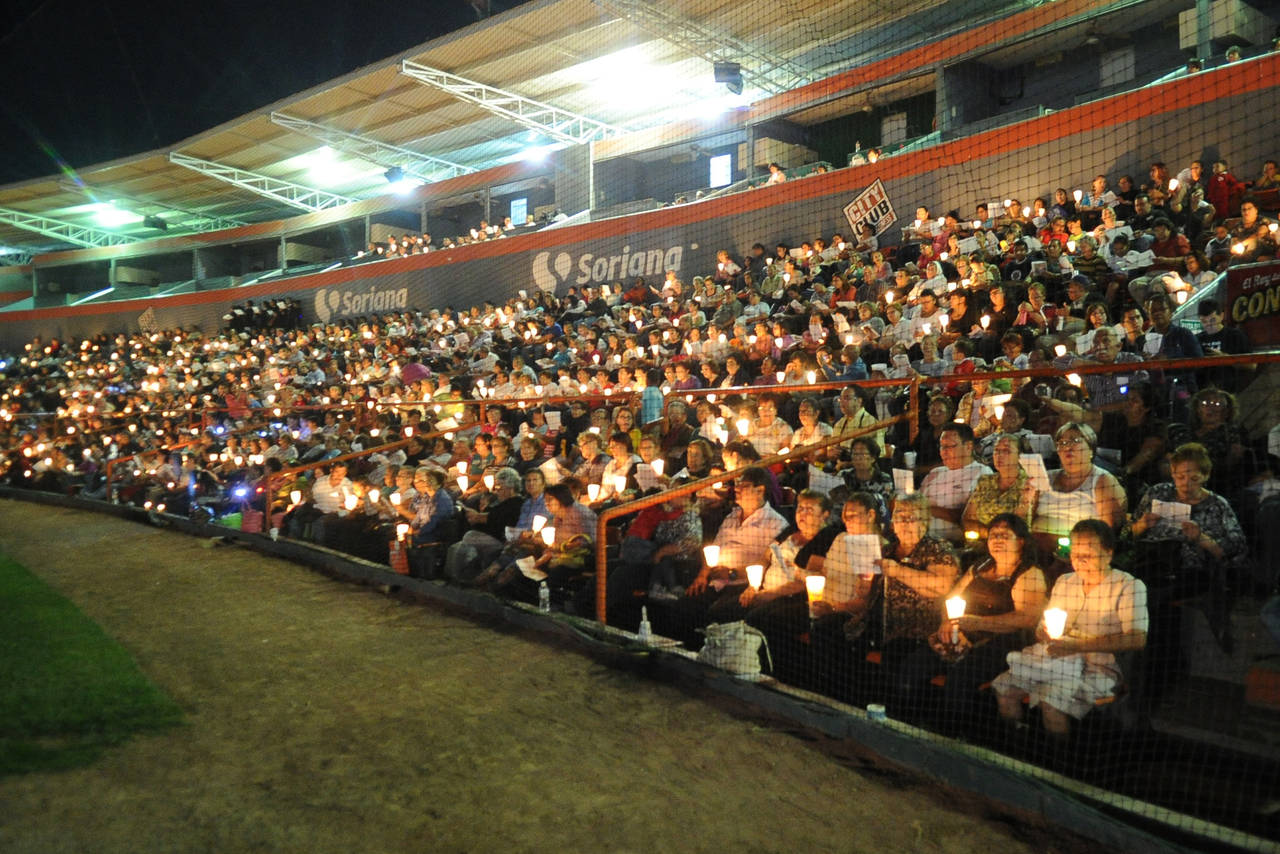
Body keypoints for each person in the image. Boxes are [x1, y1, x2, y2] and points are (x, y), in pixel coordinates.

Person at [993, 519, 1148, 737]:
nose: (1080, 561)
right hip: (1055, 661)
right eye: (1075, 554)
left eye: (1088, 555)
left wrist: (1078, 645)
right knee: (1004, 689)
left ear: (1108, 554)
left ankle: (1059, 753)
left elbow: (1137, 639)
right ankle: (1017, 743)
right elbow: (1042, 627)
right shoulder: (1065, 582)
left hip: (1099, 668)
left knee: (1051, 701)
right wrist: (1045, 632)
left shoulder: (1129, 587)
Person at [907, 513, 1048, 731]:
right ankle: (912, 723)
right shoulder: (981, 565)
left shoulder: (1029, 574)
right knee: (915, 665)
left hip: (1004, 643)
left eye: (1004, 535)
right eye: (993, 535)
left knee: (960, 678)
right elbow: (952, 597)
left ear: (1020, 541)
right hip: (964, 632)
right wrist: (947, 623)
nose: (997, 540)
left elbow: (1027, 618)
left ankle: (960, 734)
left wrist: (978, 623)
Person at [1030, 422, 1126, 545]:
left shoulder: (1103, 480)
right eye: (1062, 443)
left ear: (1091, 449)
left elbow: (1108, 531)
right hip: (1036, 545)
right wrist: (1026, 499)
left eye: (1075, 441)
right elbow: (1025, 519)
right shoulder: (1045, 476)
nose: (1067, 447)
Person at [919, 424, 992, 542]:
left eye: (949, 446)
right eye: (942, 446)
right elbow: (915, 503)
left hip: (948, 540)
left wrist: (927, 509)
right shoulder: (935, 472)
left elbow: (967, 516)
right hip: (917, 530)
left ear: (968, 447)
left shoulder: (982, 473)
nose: (944, 452)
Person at [962, 433, 1037, 537]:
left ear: (1020, 456)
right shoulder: (985, 481)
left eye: (1006, 451)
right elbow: (967, 520)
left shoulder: (1030, 483)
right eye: (996, 450)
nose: (999, 455)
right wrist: (991, 535)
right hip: (980, 541)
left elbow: (1019, 526)